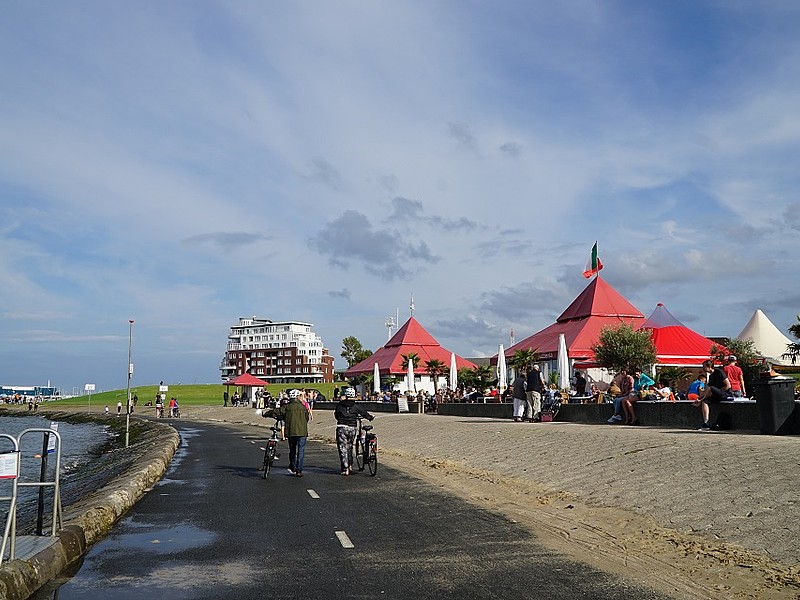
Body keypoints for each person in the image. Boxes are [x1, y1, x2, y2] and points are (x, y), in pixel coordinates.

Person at [262, 389, 310, 477]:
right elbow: (307, 418)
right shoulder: (303, 407)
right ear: (297, 397)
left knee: (292, 449)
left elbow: (277, 411)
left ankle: (292, 465)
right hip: (302, 432)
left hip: (291, 431)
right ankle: (299, 470)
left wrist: (266, 414)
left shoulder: (287, 407)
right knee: (301, 450)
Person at [334, 387, 374, 475]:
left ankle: (345, 468)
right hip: (352, 427)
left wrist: (341, 418)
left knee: (342, 448)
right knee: (350, 446)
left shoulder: (340, 404)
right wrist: (370, 417)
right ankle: (350, 466)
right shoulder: (356, 405)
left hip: (342, 427)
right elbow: (364, 413)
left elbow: (336, 414)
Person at [695, 360, 731, 431]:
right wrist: (700, 397)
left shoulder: (719, 372)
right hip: (716, 394)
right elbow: (707, 391)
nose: (703, 368)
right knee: (705, 402)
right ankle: (706, 422)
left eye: (704, 367)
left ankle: (700, 400)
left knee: (710, 388)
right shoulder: (710, 377)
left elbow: (728, 385)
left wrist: (720, 391)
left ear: (709, 367)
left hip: (724, 393)